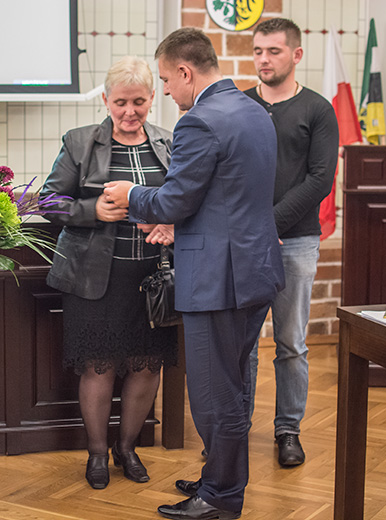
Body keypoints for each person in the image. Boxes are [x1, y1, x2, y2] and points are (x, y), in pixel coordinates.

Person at [105, 28, 284, 520]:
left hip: (218, 278)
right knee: (234, 386)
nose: (165, 91)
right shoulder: (254, 110)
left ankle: (220, 498)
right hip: (255, 269)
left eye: (165, 80)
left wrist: (130, 196)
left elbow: (175, 199)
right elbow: (228, 194)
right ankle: (220, 477)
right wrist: (173, 216)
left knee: (212, 393)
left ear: (186, 72)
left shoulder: (199, 121)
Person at [40, 56, 178, 490]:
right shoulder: (81, 142)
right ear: (105, 100)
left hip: (154, 280)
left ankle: (128, 448)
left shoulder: (169, 142)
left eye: (139, 101)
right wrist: (90, 210)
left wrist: (170, 221)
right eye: (120, 102)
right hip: (94, 280)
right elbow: (45, 202)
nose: (129, 112)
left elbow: (188, 200)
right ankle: (97, 454)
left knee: (145, 366)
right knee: (98, 368)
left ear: (153, 99)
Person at [244, 18, 339, 467]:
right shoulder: (240, 106)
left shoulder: (318, 110)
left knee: (291, 343)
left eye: (274, 51)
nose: (264, 59)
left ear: (296, 55)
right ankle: (233, 428)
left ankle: (288, 431)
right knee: (240, 341)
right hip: (243, 244)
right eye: (258, 50)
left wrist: (272, 221)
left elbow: (321, 179)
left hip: (296, 242)